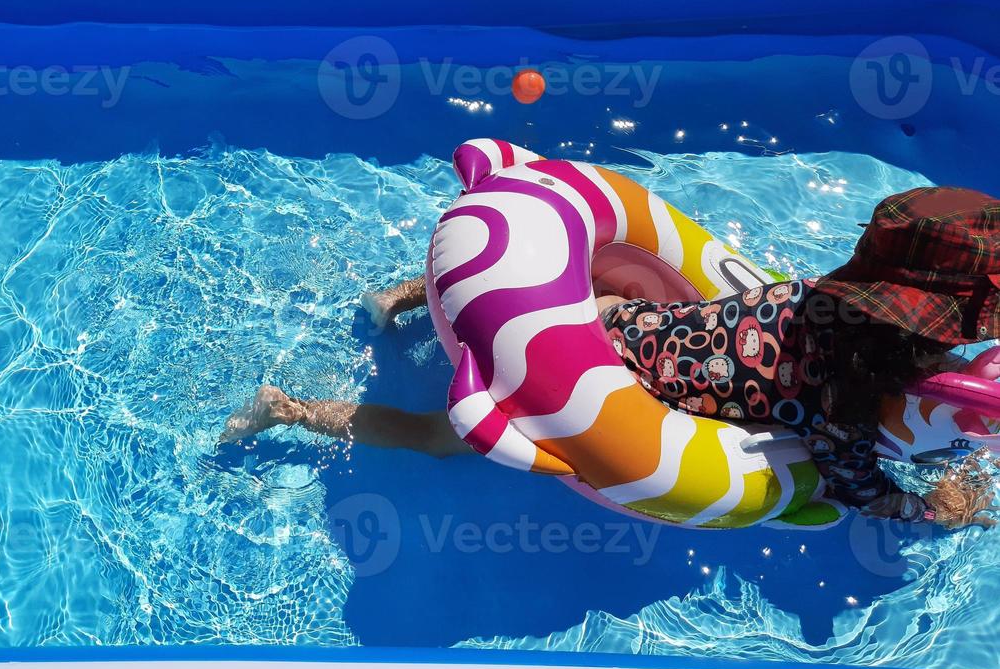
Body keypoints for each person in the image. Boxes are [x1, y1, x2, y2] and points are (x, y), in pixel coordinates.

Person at [223, 186, 1000, 526]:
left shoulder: (812, 296)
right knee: (437, 437)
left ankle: (406, 296)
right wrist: (930, 506)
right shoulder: (845, 398)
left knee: (516, 298)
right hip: (586, 384)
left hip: (613, 318)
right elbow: (857, 486)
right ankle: (286, 409)